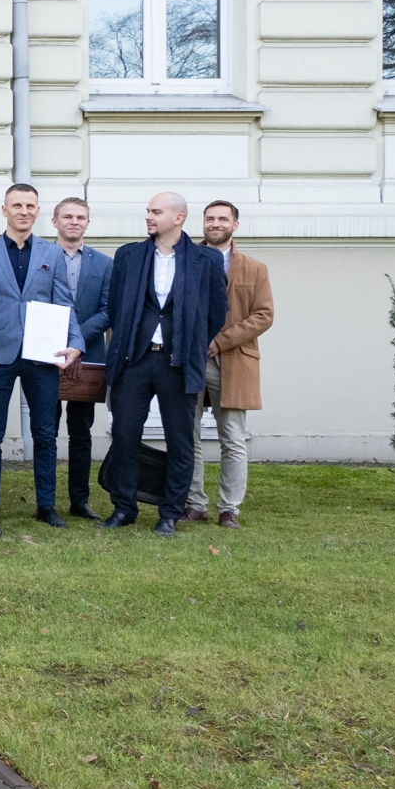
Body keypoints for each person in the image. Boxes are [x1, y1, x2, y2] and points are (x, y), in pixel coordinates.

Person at [99, 192, 231, 536]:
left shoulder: (206, 260)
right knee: (124, 435)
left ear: (178, 218)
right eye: (148, 211)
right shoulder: (128, 255)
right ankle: (124, 508)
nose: (149, 216)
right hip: (134, 360)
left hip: (179, 363)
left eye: (156, 211)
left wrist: (192, 342)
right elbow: (116, 307)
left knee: (180, 440)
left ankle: (170, 513)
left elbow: (217, 312)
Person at [0, 183, 84, 527]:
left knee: (45, 434)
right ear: (4, 210)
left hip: (42, 353)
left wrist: (76, 342)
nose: (23, 211)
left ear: (38, 211)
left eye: (30, 206)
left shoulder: (52, 253)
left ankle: (46, 505)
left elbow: (64, 301)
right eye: (17, 205)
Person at [186, 200, 273, 529]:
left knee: (233, 438)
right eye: (210, 218)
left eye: (223, 219)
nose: (215, 223)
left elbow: (263, 315)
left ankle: (229, 508)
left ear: (235, 225)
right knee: (188, 436)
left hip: (233, 360)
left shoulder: (255, 268)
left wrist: (220, 342)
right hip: (191, 360)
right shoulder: (185, 260)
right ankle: (195, 503)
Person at [47, 196, 112, 520]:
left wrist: (76, 341)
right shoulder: (41, 257)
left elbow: (109, 309)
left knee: (81, 433)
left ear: (87, 223)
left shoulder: (104, 264)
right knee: (45, 431)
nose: (74, 222)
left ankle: (79, 500)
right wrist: (58, 339)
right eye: (68, 216)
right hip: (46, 355)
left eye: (80, 217)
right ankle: (46, 500)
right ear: (55, 221)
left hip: (88, 357)